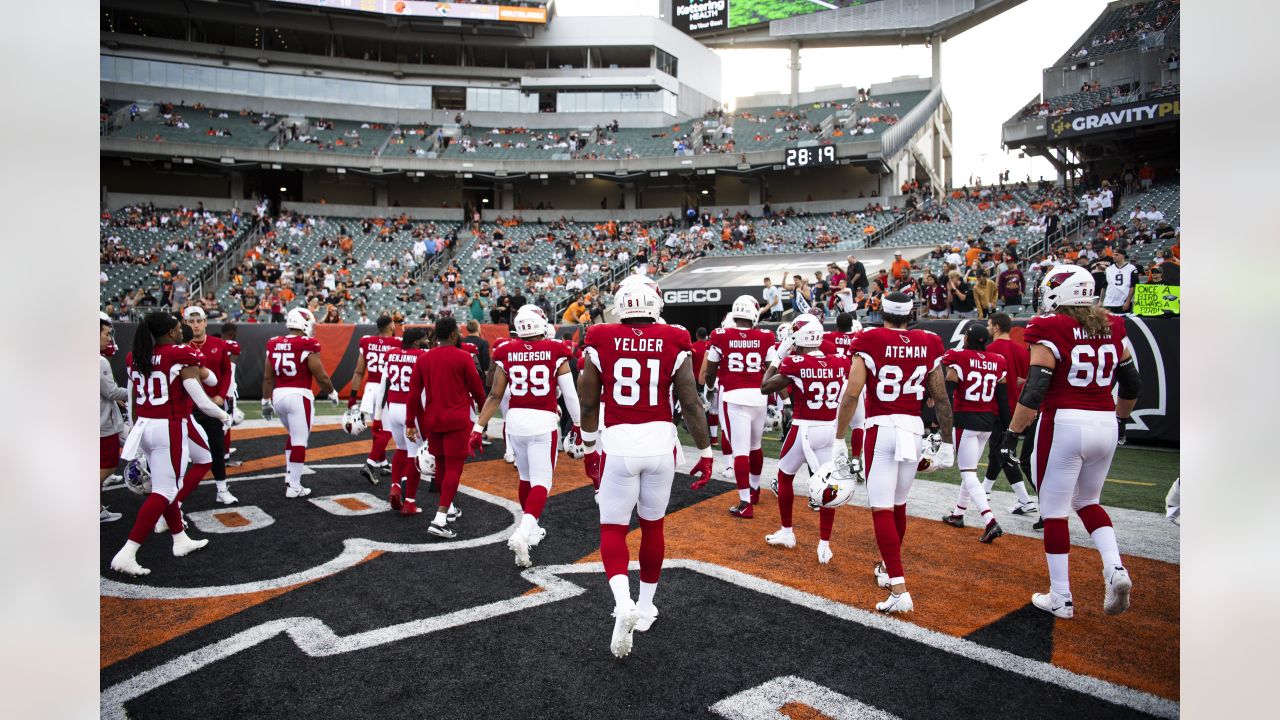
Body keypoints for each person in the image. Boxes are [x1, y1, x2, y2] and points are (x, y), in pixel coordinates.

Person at [576, 282, 713, 658]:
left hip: (618, 443)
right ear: (656, 304)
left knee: (613, 528)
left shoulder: (600, 335)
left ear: (620, 306)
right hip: (659, 444)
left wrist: (590, 449)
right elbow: (690, 402)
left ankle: (623, 601)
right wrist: (705, 451)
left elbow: (588, 403)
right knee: (653, 526)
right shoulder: (675, 337)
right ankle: (648, 606)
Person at [1003, 265, 1140, 619]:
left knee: (1054, 511)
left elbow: (1035, 390)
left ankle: (1061, 597)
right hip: (1105, 422)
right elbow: (1131, 383)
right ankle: (1115, 569)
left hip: (1063, 422)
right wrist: (1122, 419)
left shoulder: (1050, 328)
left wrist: (1013, 433)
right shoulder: (1112, 325)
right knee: (1089, 501)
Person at [835, 292, 954, 613]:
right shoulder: (927, 341)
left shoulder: (870, 338)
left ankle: (899, 588)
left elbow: (851, 394)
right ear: (911, 313)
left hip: (881, 428)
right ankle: (889, 570)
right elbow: (941, 398)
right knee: (898, 505)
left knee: (882, 509)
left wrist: (838, 438)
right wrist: (948, 443)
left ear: (882, 311)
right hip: (913, 429)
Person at [110, 311, 229, 576]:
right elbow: (200, 399)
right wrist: (223, 415)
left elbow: (132, 400)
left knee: (167, 485)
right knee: (165, 490)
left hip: (146, 425)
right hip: (170, 426)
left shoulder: (135, 356)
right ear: (169, 332)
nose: (181, 330)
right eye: (177, 327)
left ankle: (180, 538)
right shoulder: (178, 354)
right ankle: (128, 552)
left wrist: (133, 430)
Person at [471, 307, 581, 567]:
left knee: (525, 477)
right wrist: (576, 424)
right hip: (542, 422)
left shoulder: (506, 350)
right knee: (542, 482)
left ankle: (531, 528)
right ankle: (522, 532)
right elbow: (570, 395)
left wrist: (478, 427)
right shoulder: (556, 351)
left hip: (516, 423)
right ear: (540, 324)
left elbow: (495, 395)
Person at [760, 320, 851, 562]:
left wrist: (778, 356)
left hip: (805, 429)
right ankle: (824, 544)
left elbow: (765, 386)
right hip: (830, 429)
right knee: (828, 484)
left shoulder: (794, 363)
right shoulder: (840, 360)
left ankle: (787, 532)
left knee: (784, 476)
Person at [407, 317, 486, 539]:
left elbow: (413, 394)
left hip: (433, 419)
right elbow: (478, 389)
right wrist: (483, 415)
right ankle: (440, 518)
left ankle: (448, 507)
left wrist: (410, 422)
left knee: (441, 466)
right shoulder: (463, 357)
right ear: (453, 335)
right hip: (456, 420)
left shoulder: (424, 358)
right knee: (453, 468)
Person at [700, 295, 775, 517]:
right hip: (759, 397)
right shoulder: (765, 336)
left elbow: (711, 370)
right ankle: (754, 489)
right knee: (755, 446)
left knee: (740, 451)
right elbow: (772, 368)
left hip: (734, 397)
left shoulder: (721, 335)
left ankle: (745, 502)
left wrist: (710, 389)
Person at [939, 324, 1009, 542]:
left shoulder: (958, 357)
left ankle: (989, 520)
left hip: (966, 420)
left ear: (968, 338)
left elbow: (948, 392)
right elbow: (1003, 400)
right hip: (987, 422)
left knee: (968, 472)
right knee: (969, 470)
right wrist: (1008, 428)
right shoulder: (998, 360)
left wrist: (940, 420)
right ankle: (958, 514)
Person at [262, 308, 339, 498]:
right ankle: (294, 486)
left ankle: (290, 477)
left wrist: (265, 400)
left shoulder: (274, 343)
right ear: (304, 323)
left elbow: (268, 377)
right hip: (298, 395)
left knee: (293, 436)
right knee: (299, 441)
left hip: (279, 395)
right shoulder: (307, 344)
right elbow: (320, 375)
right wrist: (332, 392)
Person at [182, 306, 237, 505]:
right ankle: (172, 494)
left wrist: (222, 396)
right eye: (191, 321)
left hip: (212, 405)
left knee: (217, 449)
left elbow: (227, 372)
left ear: (205, 322)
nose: (195, 325)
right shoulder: (180, 346)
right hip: (186, 408)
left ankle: (221, 489)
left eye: (198, 321)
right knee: (179, 453)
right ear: (184, 324)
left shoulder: (218, 344)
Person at [983, 313, 1037, 514]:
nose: (988, 328)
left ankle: (1025, 500)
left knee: (1002, 452)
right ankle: (985, 490)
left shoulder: (990, 351)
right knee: (996, 451)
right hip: (1018, 409)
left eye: (989, 325)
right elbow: (1027, 380)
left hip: (997, 409)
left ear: (996, 327)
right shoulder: (1021, 351)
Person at [374, 328, 430, 515]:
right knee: (414, 455)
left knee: (400, 449)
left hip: (392, 408)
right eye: (423, 339)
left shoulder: (391, 355)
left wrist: (377, 416)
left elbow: (383, 386)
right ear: (415, 342)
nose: (426, 342)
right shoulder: (422, 355)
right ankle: (409, 502)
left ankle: (396, 485)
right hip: (411, 410)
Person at [352, 315, 399, 482]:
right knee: (387, 430)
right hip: (385, 389)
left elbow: (358, 372)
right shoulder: (397, 343)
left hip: (370, 388)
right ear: (390, 326)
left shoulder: (366, 341)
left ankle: (383, 463)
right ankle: (370, 464)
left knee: (378, 428)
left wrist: (352, 396)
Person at [99, 313, 128, 523]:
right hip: (101, 424)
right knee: (108, 466)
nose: (110, 338)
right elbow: (111, 393)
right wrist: (136, 391)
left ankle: (98, 509)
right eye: (107, 334)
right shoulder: (99, 361)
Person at [219, 322, 242, 466]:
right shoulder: (233, 346)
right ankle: (225, 456)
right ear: (232, 333)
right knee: (227, 422)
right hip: (227, 390)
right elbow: (230, 365)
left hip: (215, 388)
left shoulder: (216, 344)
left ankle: (220, 451)